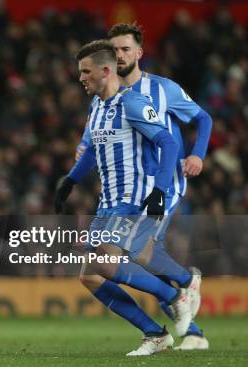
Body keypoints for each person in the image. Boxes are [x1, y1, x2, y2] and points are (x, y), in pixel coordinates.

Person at [71, 23, 212, 351]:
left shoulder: (163, 90)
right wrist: (82, 155)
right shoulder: (104, 100)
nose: (120, 54)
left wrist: (198, 155)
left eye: (125, 49)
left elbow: (202, 119)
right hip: (125, 194)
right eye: (115, 49)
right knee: (128, 260)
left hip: (164, 185)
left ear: (139, 53)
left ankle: (182, 293)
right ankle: (189, 327)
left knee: (131, 254)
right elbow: (93, 140)